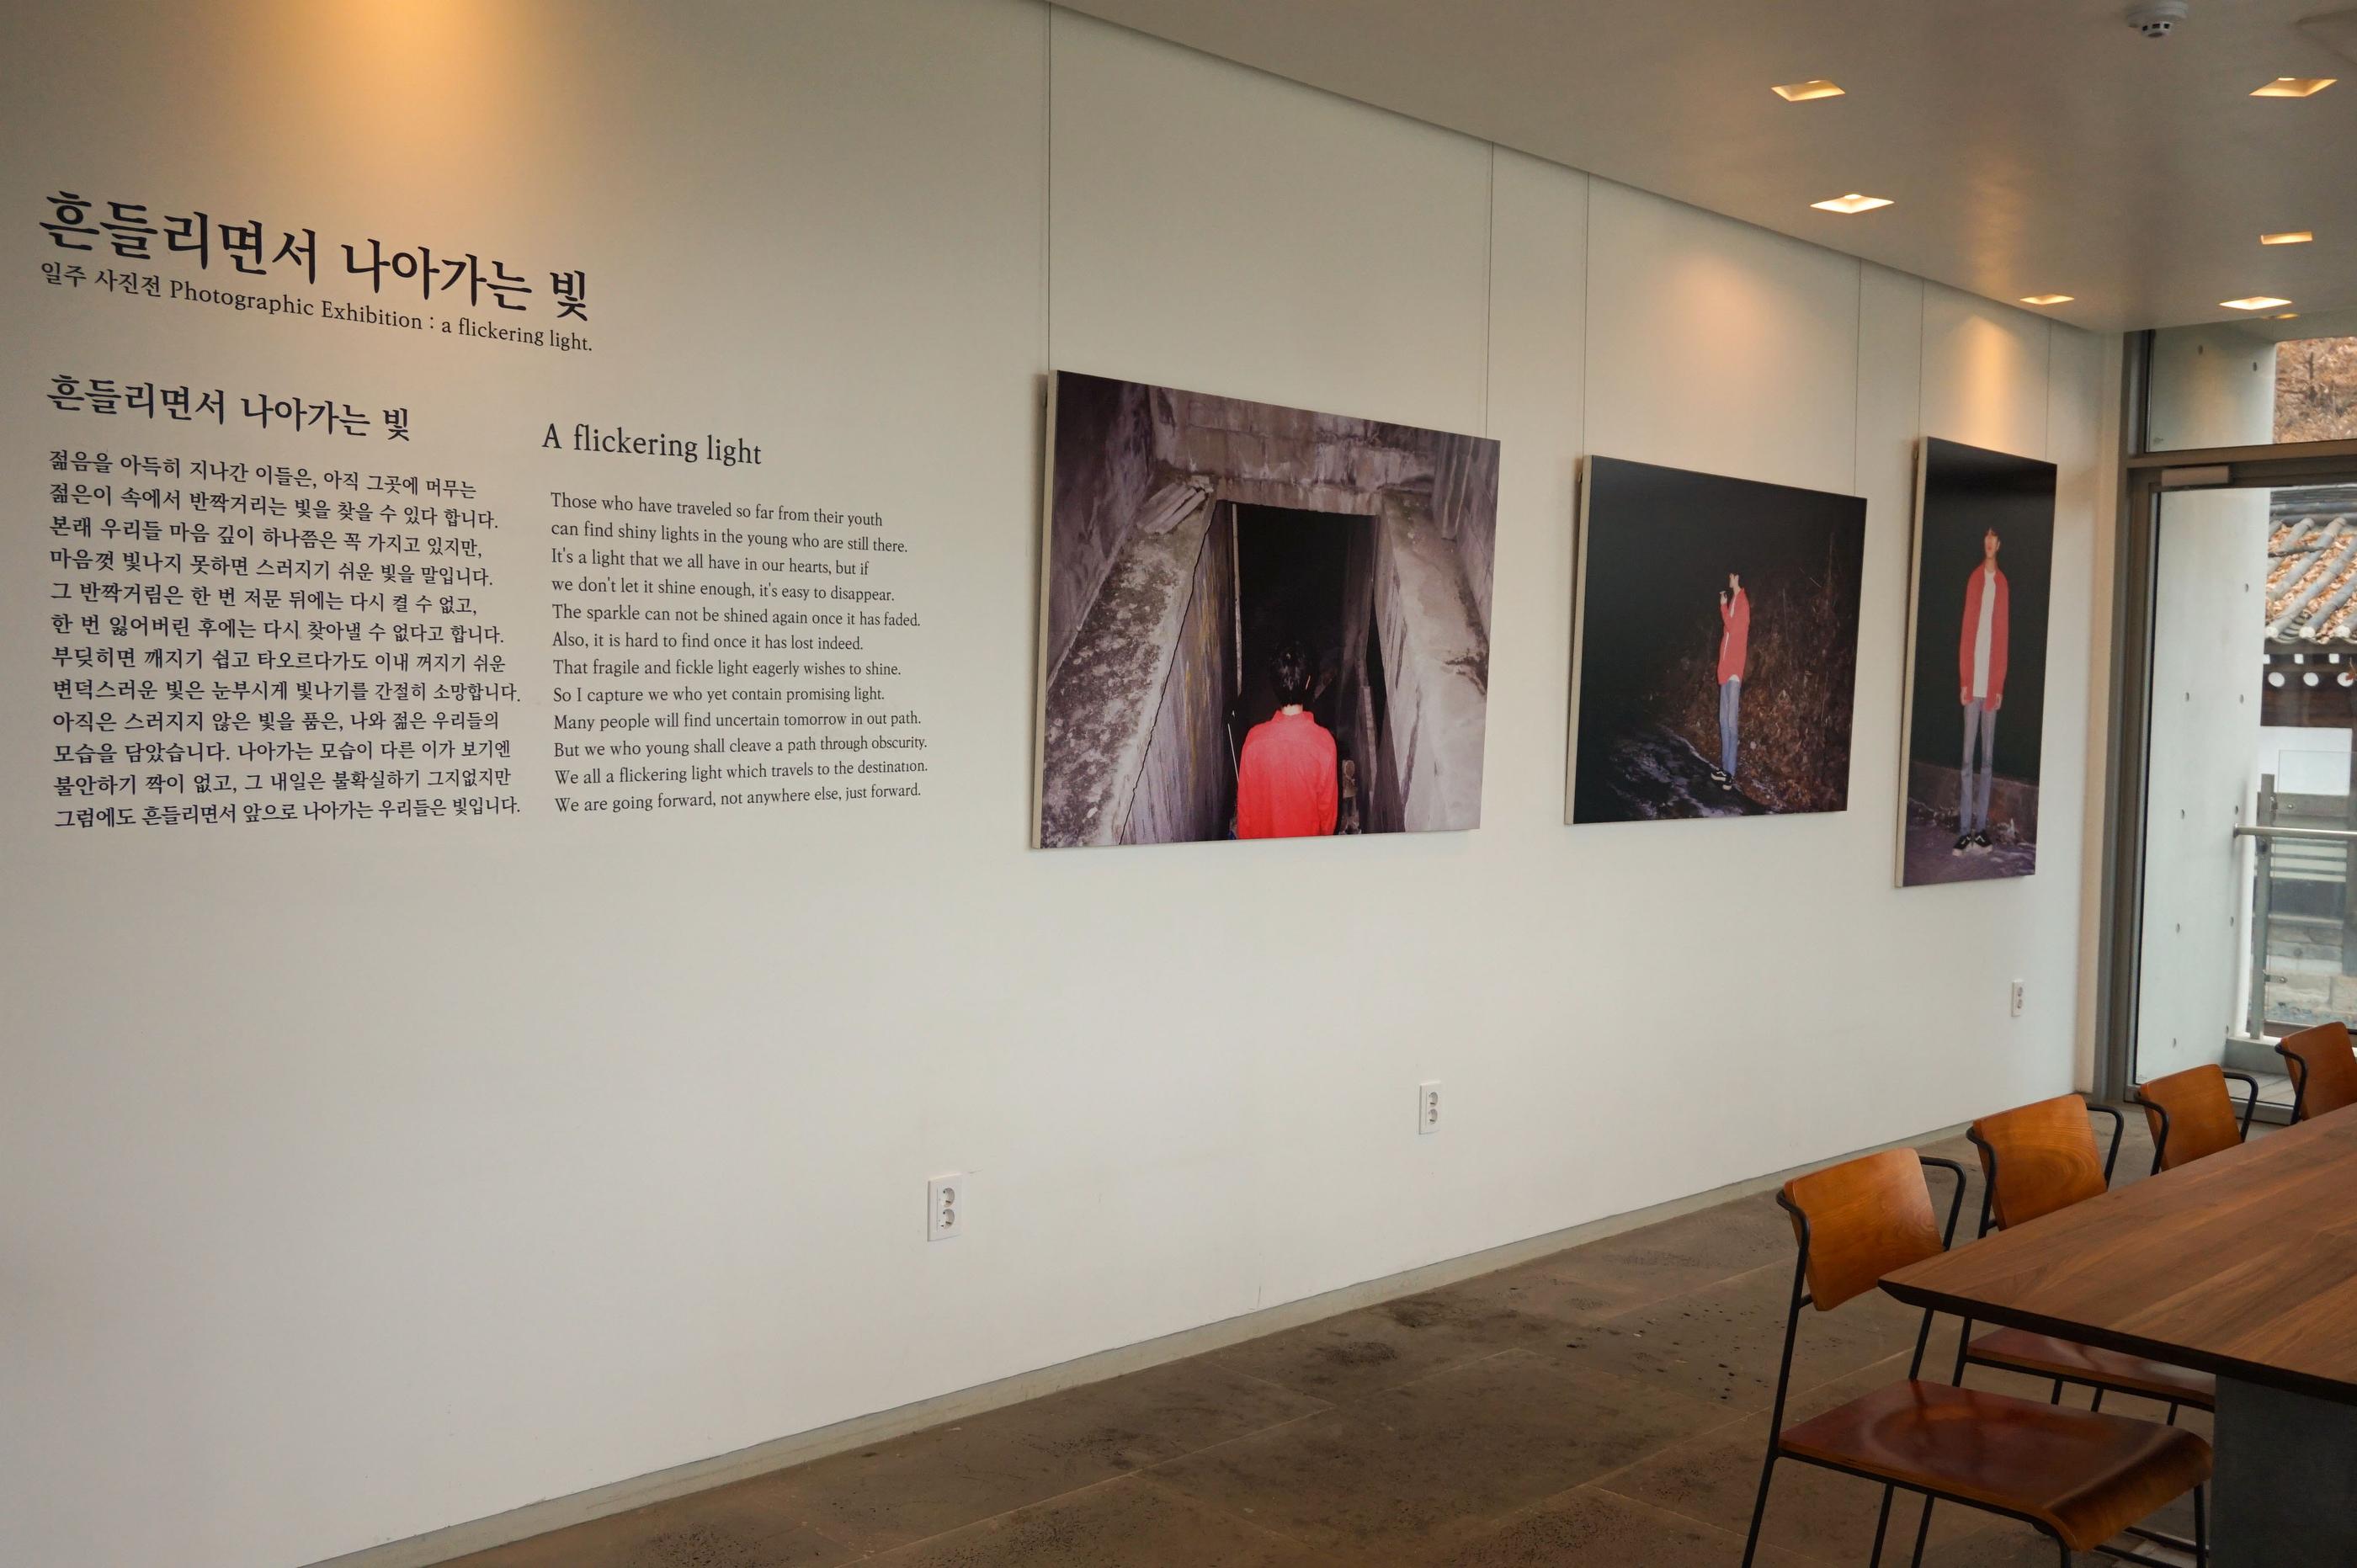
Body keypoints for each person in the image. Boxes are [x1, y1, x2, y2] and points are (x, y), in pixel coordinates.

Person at [1235, 643, 1338, 839]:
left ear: (1274, 684)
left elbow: (1245, 811)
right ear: (1308, 683)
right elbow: (1328, 816)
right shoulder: (1324, 744)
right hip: (1306, 854)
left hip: (1264, 854)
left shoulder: (1254, 741)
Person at [1955, 527, 2009, 853]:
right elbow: (1965, 632)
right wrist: (1964, 680)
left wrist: (1999, 685)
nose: (1989, 542)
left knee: (1987, 761)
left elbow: (2003, 640)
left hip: (1990, 688)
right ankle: (1964, 831)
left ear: (1999, 544)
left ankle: (1981, 830)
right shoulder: (1975, 580)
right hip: (1971, 686)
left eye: (1994, 538)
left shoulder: (2002, 585)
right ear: (1983, 542)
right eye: (1986, 537)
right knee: (1966, 761)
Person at [1714, 571, 1748, 787]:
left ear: (1737, 578)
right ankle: (1725, 768)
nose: (1729, 578)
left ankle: (1731, 771)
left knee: (1731, 722)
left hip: (1734, 672)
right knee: (1723, 720)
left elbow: (1733, 628)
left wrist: (1723, 607)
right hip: (1725, 670)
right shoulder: (1736, 602)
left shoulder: (1743, 604)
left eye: (1731, 576)